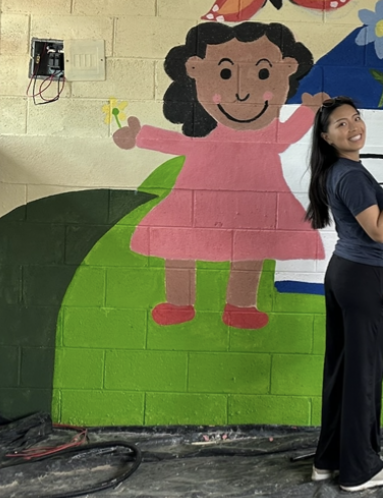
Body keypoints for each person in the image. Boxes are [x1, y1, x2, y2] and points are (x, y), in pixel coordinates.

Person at [113, 21, 326, 329]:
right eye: (225, 73)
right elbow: (180, 143)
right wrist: (140, 136)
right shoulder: (209, 135)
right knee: (179, 243)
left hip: (255, 203)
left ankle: (240, 306)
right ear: (196, 71)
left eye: (263, 73)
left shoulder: (269, 135)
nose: (241, 91)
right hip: (197, 201)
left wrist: (310, 110)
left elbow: (288, 134)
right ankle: (179, 302)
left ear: (287, 69)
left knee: (251, 248)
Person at [305, 96, 383, 491]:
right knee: (363, 375)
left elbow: (371, 216)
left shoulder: (342, 169)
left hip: (345, 274)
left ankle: (328, 460)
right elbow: (378, 231)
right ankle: (359, 470)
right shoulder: (350, 174)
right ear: (327, 137)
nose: (353, 126)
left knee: (343, 369)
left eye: (356, 118)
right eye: (340, 124)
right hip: (363, 278)